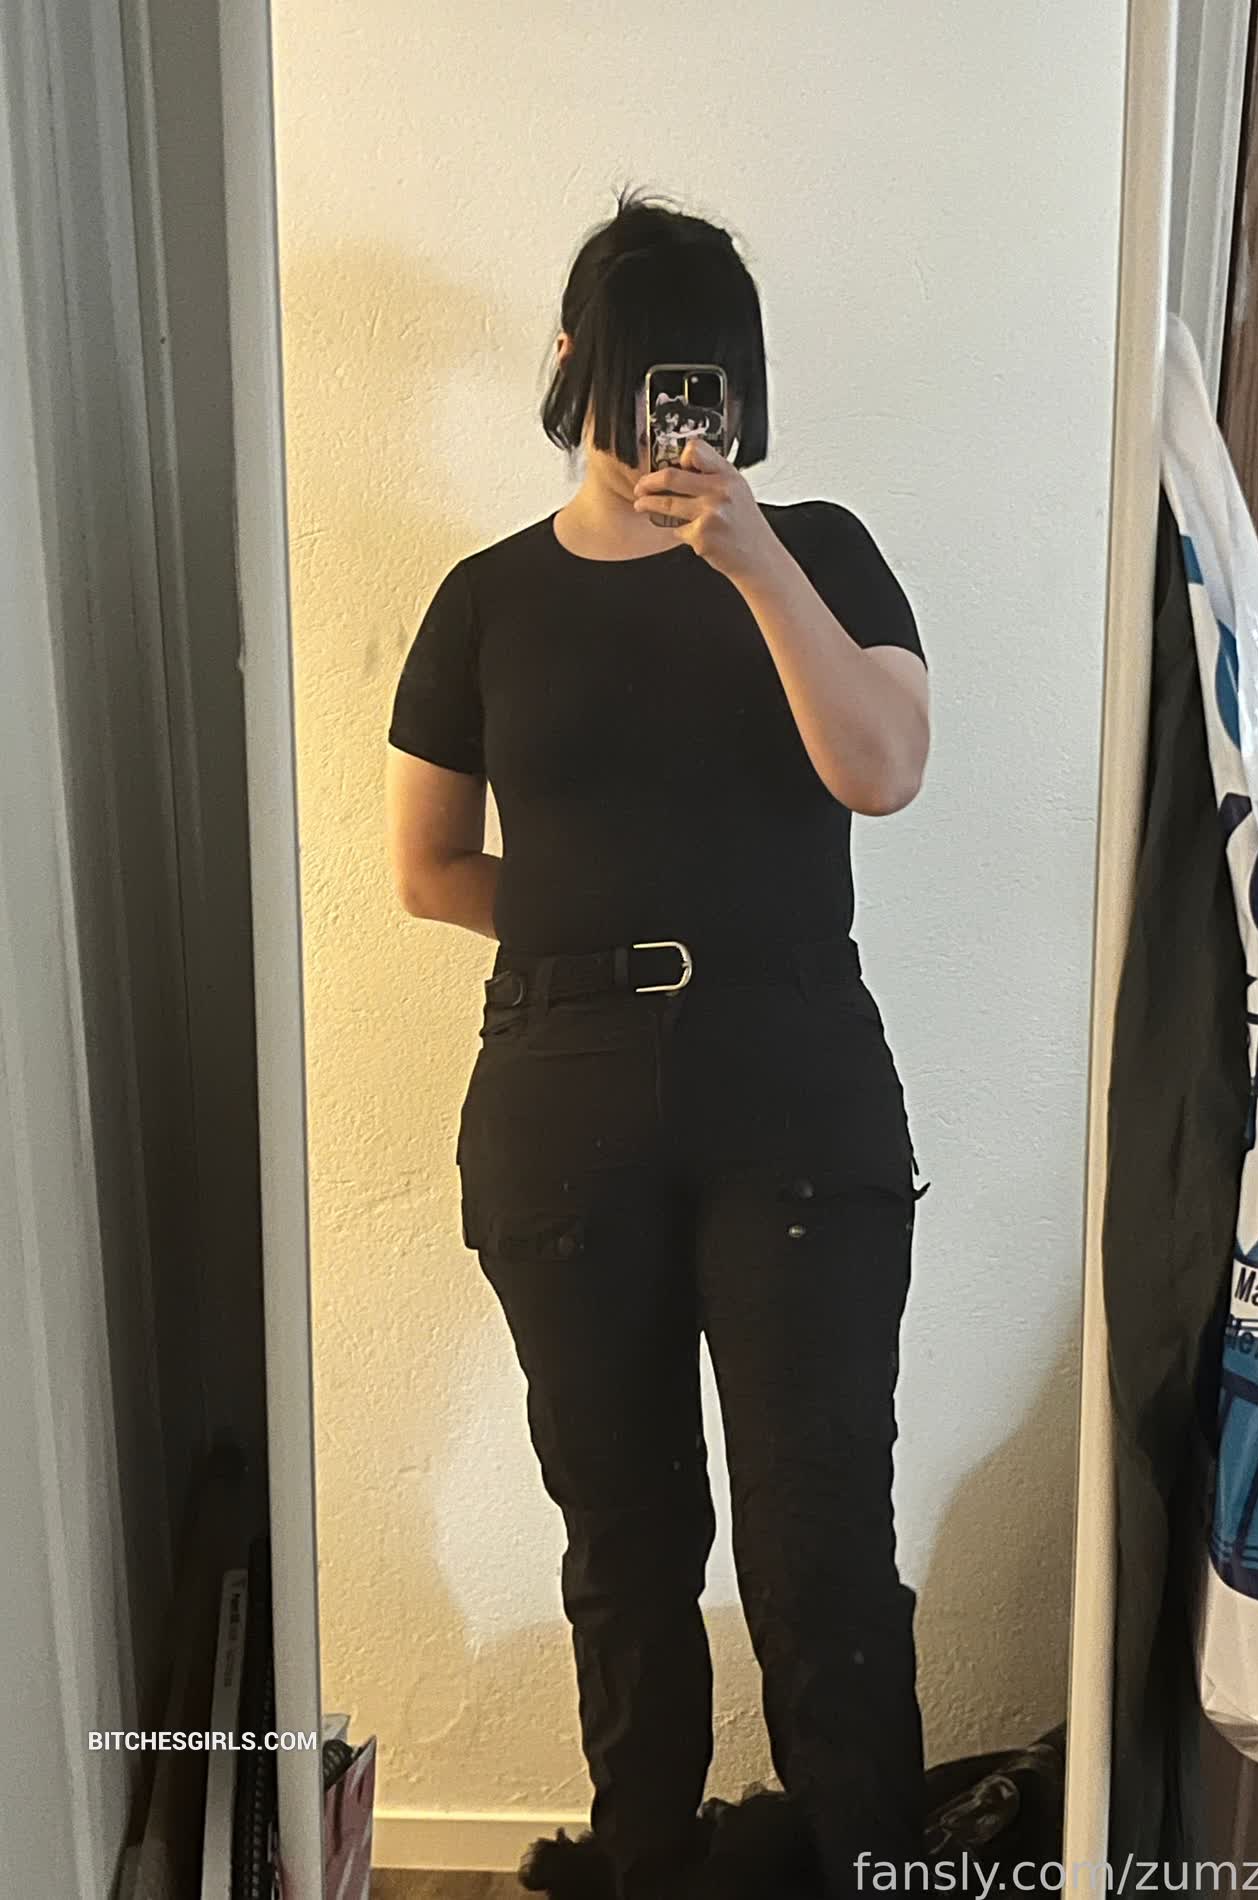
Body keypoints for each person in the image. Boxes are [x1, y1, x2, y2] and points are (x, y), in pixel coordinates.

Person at [385, 186, 933, 1900]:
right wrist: (602, 941)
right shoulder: (484, 599)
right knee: (622, 1538)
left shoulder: (820, 548)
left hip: (795, 1071)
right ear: (574, 363)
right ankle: (639, 1865)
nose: (674, 416)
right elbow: (427, 868)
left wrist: (753, 560)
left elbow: (884, 770)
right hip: (564, 1089)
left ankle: (867, 1866)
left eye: (707, 378)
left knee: (817, 1534)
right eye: (645, 372)